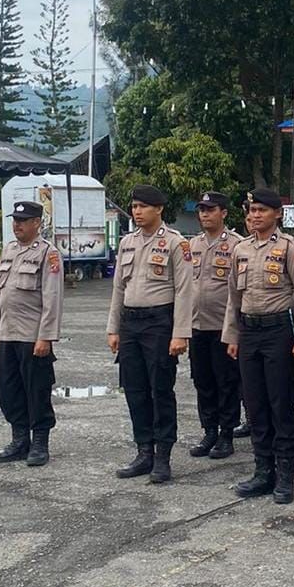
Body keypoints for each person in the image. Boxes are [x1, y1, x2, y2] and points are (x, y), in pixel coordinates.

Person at [222, 190, 294, 503]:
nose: (255, 216)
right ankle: (263, 471)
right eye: (251, 210)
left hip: (278, 332)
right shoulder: (240, 249)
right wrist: (232, 335)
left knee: (280, 403)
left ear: (277, 214)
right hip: (248, 333)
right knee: (255, 404)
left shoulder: (291, 248)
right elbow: (233, 298)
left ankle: (285, 474)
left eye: (262, 210)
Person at [106, 185, 193, 484]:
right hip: (130, 323)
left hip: (159, 322)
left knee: (160, 390)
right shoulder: (127, 242)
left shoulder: (175, 243)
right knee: (135, 389)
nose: (137, 211)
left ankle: (163, 456)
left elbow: (184, 290)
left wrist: (180, 333)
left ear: (159, 209)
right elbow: (118, 287)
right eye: (134, 206)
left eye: (143, 206)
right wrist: (113, 328)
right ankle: (144, 451)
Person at [0, 199, 64, 467]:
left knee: (36, 390)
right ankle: (19, 440)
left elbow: (52, 298)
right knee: (9, 389)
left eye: (22, 221)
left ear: (36, 223)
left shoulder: (48, 254)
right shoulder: (8, 251)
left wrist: (46, 337)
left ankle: (39, 442)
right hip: (8, 333)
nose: (16, 225)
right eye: (14, 220)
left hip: (32, 336)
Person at [187, 191, 243, 461]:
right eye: (201, 210)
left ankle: (226, 434)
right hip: (197, 325)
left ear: (224, 213)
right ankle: (209, 430)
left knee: (227, 382)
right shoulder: (193, 245)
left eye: (210, 209)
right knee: (202, 381)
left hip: (223, 326)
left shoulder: (237, 245)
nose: (204, 214)